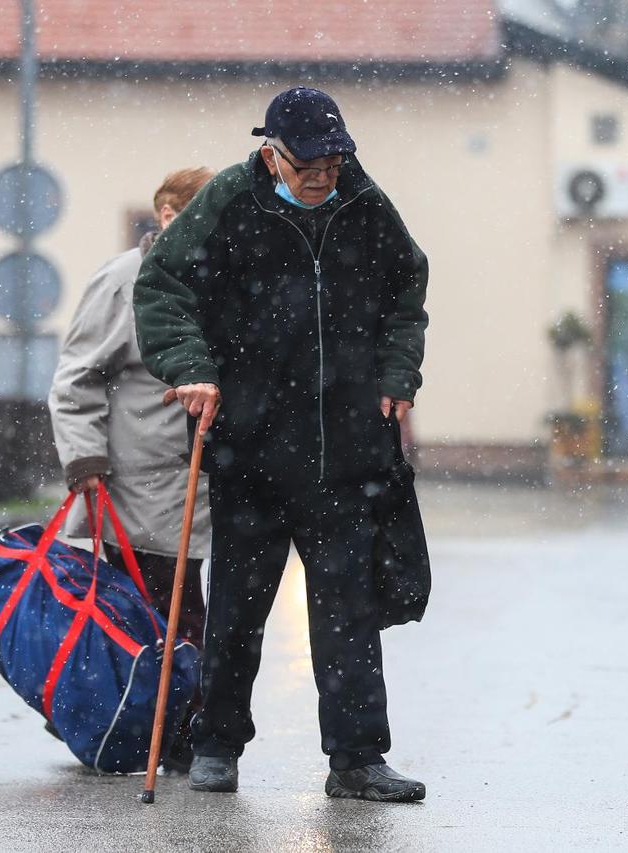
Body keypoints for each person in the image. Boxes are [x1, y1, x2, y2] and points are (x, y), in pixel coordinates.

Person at [132, 87, 428, 802]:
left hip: (345, 448)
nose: (323, 175)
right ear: (272, 153)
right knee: (237, 610)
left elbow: (406, 285)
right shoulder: (231, 199)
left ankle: (356, 758)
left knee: (349, 613)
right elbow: (160, 283)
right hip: (252, 449)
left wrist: (396, 371)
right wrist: (193, 368)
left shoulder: (363, 202)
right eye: (308, 165)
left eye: (333, 160)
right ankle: (216, 746)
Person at [48, 166, 216, 770]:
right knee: (152, 613)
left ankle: (176, 730)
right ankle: (154, 730)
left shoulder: (217, 278)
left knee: (185, 610)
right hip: (138, 483)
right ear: (168, 216)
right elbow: (76, 378)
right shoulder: (124, 280)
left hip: (197, 484)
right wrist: (85, 461)